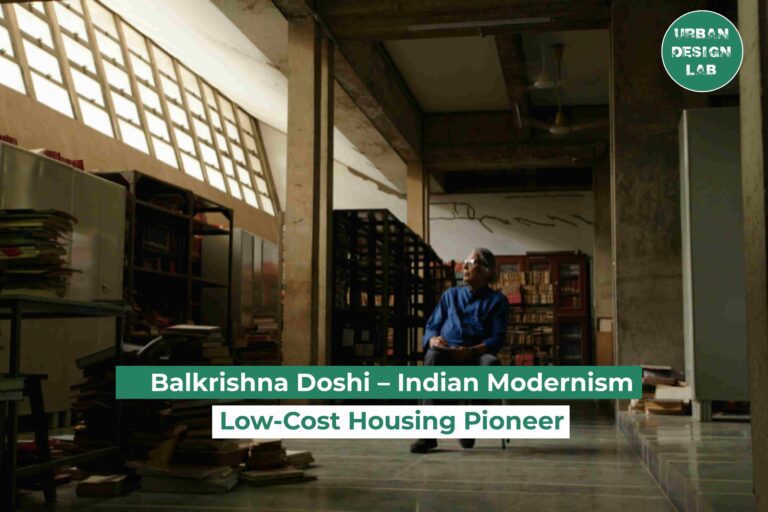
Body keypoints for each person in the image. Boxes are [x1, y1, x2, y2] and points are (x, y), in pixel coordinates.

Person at [410, 247, 509, 454]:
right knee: (432, 356)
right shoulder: (450, 295)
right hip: (447, 352)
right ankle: (427, 436)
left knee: (490, 364)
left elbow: (497, 338)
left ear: (486, 270)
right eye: (465, 262)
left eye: (471, 263)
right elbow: (432, 326)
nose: (464, 267)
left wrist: (471, 351)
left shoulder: (498, 301)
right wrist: (433, 340)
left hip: (477, 354)